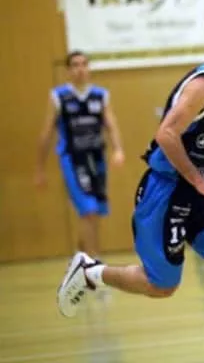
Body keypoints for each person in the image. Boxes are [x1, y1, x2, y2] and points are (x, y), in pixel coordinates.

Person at [56, 3, 204, 363]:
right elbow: (166, 134)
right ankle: (90, 272)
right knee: (161, 286)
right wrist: (202, 183)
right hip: (166, 190)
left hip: (197, 184)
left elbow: (203, 149)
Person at [35, 51, 125, 259]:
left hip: (97, 159)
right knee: (88, 210)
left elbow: (111, 125)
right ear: (68, 70)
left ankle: (80, 255)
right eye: (75, 65)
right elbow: (46, 133)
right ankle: (94, 262)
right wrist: (39, 169)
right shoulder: (59, 96)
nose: (80, 69)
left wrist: (118, 149)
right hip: (73, 160)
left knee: (96, 211)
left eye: (84, 64)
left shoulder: (100, 95)